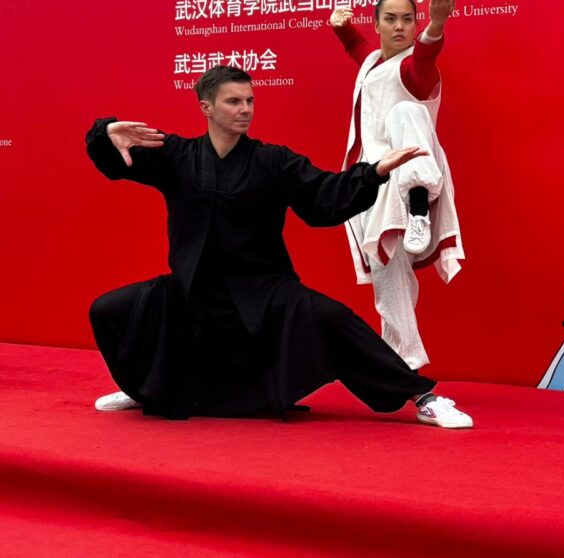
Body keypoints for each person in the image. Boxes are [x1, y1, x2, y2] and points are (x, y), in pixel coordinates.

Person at [86, 65, 472, 428]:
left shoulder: (272, 161)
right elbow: (116, 161)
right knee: (108, 310)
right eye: (234, 101)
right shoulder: (176, 156)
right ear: (206, 108)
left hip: (264, 290)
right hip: (192, 291)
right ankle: (144, 390)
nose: (245, 109)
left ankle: (423, 397)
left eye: (249, 101)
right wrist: (105, 134)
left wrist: (374, 173)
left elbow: (324, 196)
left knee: (335, 320)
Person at [328, 0, 464, 371]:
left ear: (417, 24)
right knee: (388, 275)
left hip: (414, 176)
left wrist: (436, 26)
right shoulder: (374, 62)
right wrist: (342, 28)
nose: (400, 26)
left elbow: (424, 56)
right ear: (378, 25)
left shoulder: (415, 68)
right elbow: (359, 50)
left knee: (406, 112)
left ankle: (418, 209)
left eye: (408, 19)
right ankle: (402, 364)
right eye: (390, 19)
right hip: (373, 180)